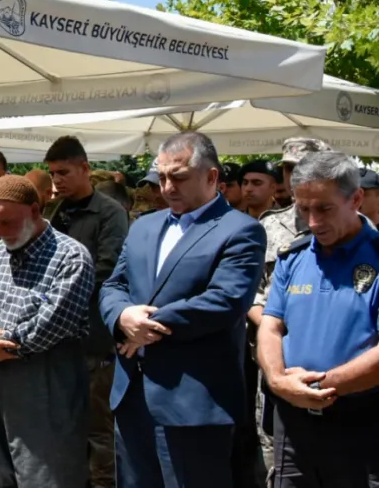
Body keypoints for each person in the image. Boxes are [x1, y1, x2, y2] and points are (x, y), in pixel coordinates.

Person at [98, 131, 266, 488]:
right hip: (132, 396)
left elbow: (226, 300)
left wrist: (146, 325)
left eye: (178, 177)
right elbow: (114, 285)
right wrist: (122, 318)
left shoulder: (241, 230)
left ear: (211, 177)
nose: (167, 187)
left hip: (193, 400)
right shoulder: (144, 226)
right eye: (161, 177)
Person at [0, 175, 94, 488]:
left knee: (46, 473)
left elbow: (53, 321)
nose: (1, 231)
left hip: (47, 377)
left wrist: (2, 344)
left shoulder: (70, 256)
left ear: (35, 211)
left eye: (8, 222)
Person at [257, 151, 379, 488]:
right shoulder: (293, 257)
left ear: (356, 199)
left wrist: (318, 387)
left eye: (324, 209)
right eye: (303, 209)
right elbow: (271, 324)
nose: (313, 222)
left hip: (361, 422)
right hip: (292, 423)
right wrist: (278, 380)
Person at [43, 136, 129, 488]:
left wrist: (54, 293)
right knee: (62, 428)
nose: (57, 181)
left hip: (94, 339)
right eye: (52, 174)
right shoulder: (53, 212)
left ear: (85, 169)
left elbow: (107, 270)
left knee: (98, 430)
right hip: (55, 341)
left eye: (63, 172)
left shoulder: (110, 213)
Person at [250, 138, 330, 482]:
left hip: (332, 364)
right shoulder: (268, 227)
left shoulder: (350, 222)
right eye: (289, 168)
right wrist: (275, 328)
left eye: (305, 167)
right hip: (274, 361)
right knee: (276, 455)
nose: (295, 175)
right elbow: (250, 294)